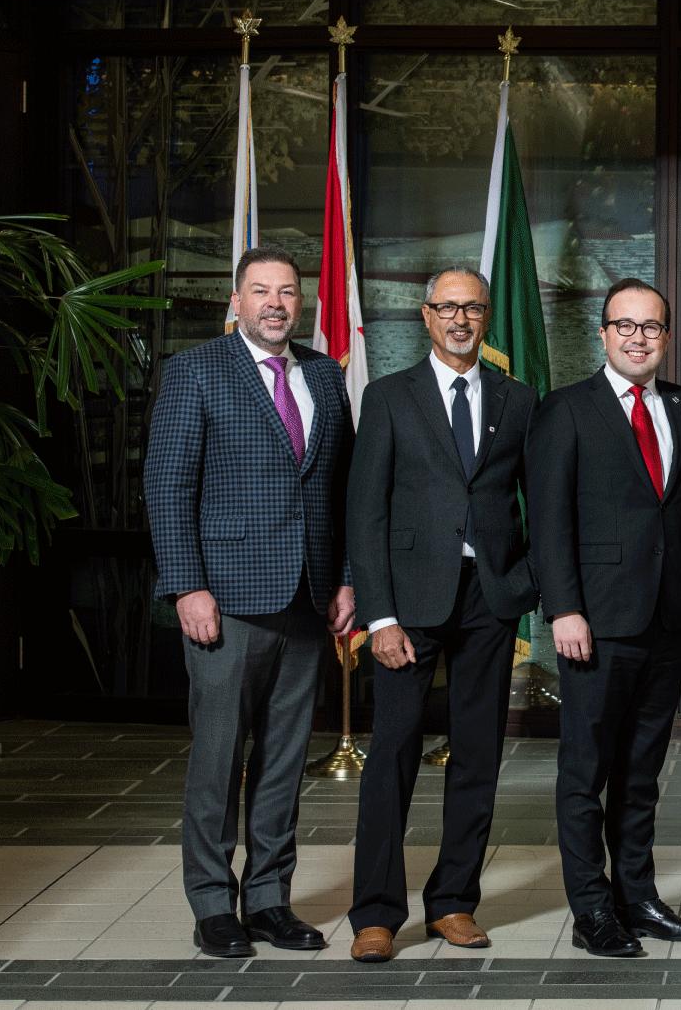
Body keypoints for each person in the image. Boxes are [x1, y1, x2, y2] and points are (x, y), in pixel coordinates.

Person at [144, 245, 357, 958]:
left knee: (284, 760)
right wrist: (187, 584)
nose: (275, 303)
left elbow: (341, 488)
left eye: (287, 291)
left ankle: (268, 899)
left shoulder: (324, 375)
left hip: (307, 597)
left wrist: (346, 578)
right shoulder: (197, 371)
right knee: (217, 757)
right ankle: (212, 904)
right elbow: (167, 484)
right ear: (234, 301)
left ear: (303, 303)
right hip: (225, 599)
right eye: (260, 291)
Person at [344, 265, 539, 963]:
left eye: (473, 308)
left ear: (486, 318)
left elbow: (540, 498)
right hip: (409, 603)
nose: (460, 319)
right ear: (426, 316)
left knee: (477, 754)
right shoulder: (389, 397)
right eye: (447, 307)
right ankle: (375, 913)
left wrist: (524, 580)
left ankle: (454, 901)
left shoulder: (517, 399)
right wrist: (379, 616)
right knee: (392, 754)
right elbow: (365, 512)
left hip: (489, 598)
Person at [527, 278, 681, 958]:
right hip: (597, 619)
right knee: (586, 771)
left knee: (642, 768)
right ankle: (592, 908)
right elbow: (548, 518)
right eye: (625, 326)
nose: (639, 338)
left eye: (651, 327)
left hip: (671, 615)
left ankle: (637, 897)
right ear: (604, 334)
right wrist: (564, 608)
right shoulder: (565, 409)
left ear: (666, 335)